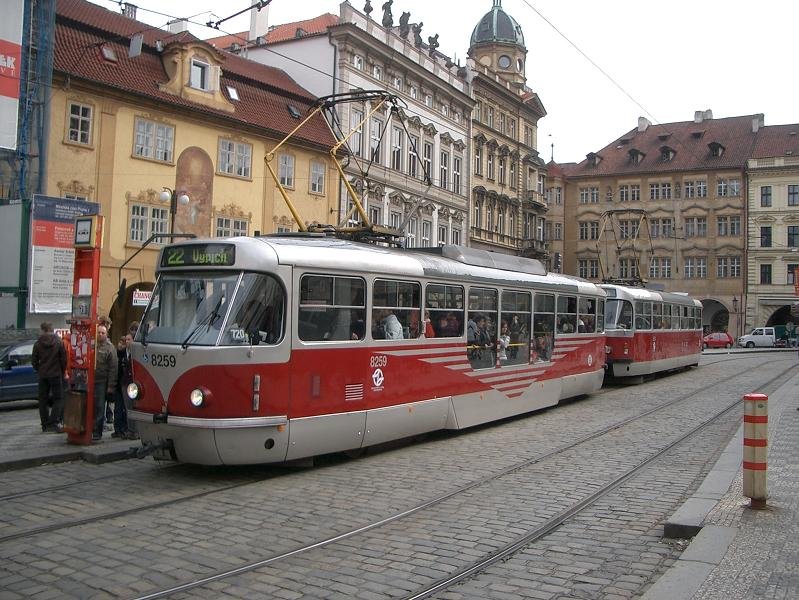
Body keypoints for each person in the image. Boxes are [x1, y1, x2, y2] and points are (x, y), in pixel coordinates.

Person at [31, 322, 67, 433]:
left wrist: (39, 369)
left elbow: (34, 361)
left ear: (43, 330)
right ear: (52, 329)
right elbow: (63, 359)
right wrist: (61, 370)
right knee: (58, 399)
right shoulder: (59, 342)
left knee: (43, 400)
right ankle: (53, 422)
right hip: (56, 374)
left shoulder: (37, 343)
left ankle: (45, 424)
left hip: (43, 375)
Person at [92, 325, 118, 442]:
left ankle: (98, 432)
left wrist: (111, 385)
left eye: (102, 333)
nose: (100, 334)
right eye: (99, 332)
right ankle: (91, 429)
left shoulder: (110, 348)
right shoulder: (92, 345)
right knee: (91, 406)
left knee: (99, 407)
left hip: (102, 381)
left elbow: (113, 368)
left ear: (106, 334)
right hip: (91, 380)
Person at [112, 334, 133, 439]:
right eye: (126, 340)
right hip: (121, 382)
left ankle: (128, 429)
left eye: (129, 340)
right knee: (119, 407)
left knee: (128, 408)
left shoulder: (135, 353)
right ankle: (118, 429)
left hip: (131, 385)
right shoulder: (122, 352)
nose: (127, 342)